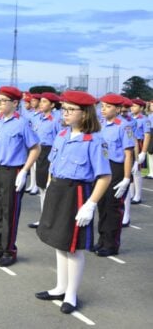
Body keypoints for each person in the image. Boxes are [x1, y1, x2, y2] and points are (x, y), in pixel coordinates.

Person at [35, 90, 111, 314]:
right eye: (64, 109)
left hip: (76, 193)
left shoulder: (95, 141)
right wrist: (49, 183)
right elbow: (52, 163)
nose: (65, 113)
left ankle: (71, 294)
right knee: (58, 241)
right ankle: (60, 286)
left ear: (85, 114)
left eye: (70, 109)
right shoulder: (61, 135)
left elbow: (104, 176)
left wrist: (91, 204)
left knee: (73, 246)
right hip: (57, 190)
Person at [0, 86, 40, 267]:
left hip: (13, 171)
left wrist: (24, 171)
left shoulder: (22, 123)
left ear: (15, 103)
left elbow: (35, 148)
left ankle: (9, 250)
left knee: (9, 212)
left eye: (4, 101)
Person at [93, 93, 134, 256]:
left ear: (117, 109)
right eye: (102, 106)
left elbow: (128, 154)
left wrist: (126, 178)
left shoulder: (124, 126)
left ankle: (111, 245)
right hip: (102, 167)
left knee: (113, 207)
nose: (103, 109)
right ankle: (102, 240)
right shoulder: (100, 124)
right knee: (101, 205)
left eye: (108, 106)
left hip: (116, 168)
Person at [28, 92, 62, 228]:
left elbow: (60, 140)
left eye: (44, 102)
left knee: (49, 188)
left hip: (50, 153)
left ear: (52, 105)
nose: (41, 104)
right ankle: (44, 218)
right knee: (42, 186)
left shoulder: (56, 121)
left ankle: (51, 220)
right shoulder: (38, 118)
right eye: (40, 101)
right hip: (39, 152)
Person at [128, 98, 151, 204]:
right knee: (130, 171)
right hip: (130, 144)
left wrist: (143, 152)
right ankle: (132, 194)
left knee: (137, 171)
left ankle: (137, 195)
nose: (132, 108)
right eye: (131, 106)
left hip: (139, 144)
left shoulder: (144, 119)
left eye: (135, 106)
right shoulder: (129, 118)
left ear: (141, 108)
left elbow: (147, 136)